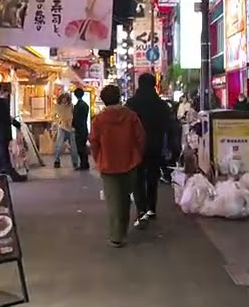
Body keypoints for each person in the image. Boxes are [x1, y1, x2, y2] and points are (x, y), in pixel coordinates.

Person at [89, 84, 145, 247]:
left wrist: (98, 159)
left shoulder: (98, 120)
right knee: (125, 198)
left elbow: (93, 142)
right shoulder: (131, 116)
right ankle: (123, 230)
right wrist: (137, 155)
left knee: (113, 200)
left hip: (108, 164)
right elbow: (140, 137)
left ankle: (116, 236)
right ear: (119, 97)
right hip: (130, 162)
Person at [126, 73, 179, 227]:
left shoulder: (131, 104)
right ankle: (152, 208)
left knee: (138, 178)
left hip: (136, 146)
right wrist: (170, 146)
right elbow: (169, 127)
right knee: (152, 177)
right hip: (156, 146)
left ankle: (141, 208)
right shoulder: (161, 105)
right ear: (154, 84)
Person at [0, 82, 27, 182]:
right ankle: (14, 176)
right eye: (7, 93)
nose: (7, 96)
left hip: (1, 132)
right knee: (4, 157)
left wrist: (13, 121)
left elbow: (5, 116)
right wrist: (11, 121)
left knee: (1, 155)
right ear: (2, 91)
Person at [51, 92, 83, 170]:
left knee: (73, 147)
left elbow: (73, 115)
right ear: (61, 99)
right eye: (63, 98)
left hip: (70, 127)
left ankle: (75, 162)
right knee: (58, 145)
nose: (64, 100)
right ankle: (56, 160)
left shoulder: (71, 106)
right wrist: (58, 122)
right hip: (62, 127)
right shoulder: (57, 106)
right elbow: (54, 116)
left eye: (66, 98)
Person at [72, 87, 91, 169]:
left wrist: (73, 125)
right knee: (83, 146)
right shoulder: (85, 105)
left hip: (79, 129)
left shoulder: (77, 106)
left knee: (80, 147)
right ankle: (85, 163)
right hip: (84, 127)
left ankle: (83, 164)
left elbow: (76, 118)